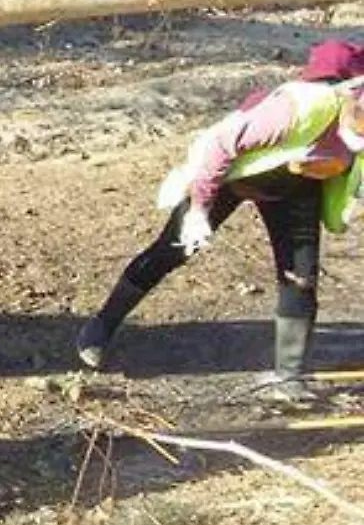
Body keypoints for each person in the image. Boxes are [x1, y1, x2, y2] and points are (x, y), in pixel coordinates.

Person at [76, 40, 364, 396]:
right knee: (172, 250)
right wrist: (198, 209)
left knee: (300, 278)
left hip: (295, 188)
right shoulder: (297, 109)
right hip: (230, 177)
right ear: (346, 92)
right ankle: (101, 326)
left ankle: (289, 379)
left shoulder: (355, 124)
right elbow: (221, 146)